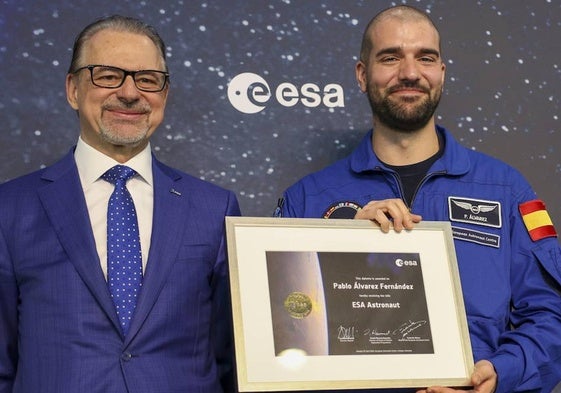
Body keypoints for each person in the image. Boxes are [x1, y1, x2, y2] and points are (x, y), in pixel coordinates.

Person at [275, 5, 561, 393]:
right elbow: (279, 329)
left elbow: (551, 315)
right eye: (390, 57)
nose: (409, 72)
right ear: (362, 75)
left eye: (425, 58)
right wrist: (340, 252)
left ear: (441, 72)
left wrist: (499, 373)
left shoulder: (506, 191)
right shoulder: (306, 201)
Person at [0, 15, 240, 393]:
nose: (130, 93)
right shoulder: (9, 209)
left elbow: (235, 356)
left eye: (147, 79)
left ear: (164, 94)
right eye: (108, 75)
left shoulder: (215, 208)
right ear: (73, 90)